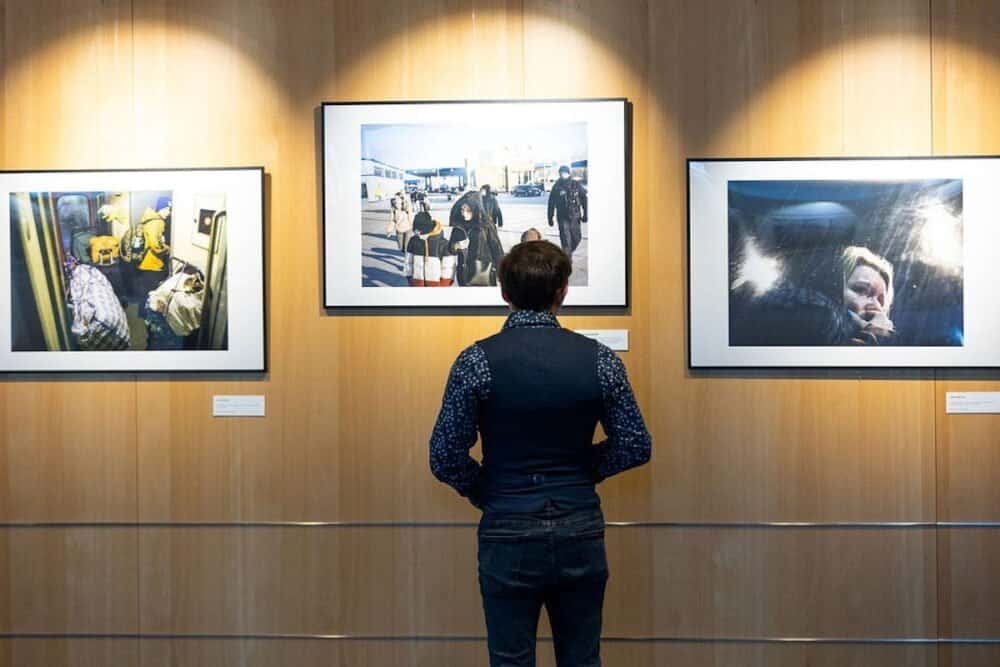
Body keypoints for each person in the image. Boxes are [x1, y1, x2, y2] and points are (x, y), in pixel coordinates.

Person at [429, 240, 652, 667]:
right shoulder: (602, 360)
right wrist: (583, 469)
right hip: (579, 524)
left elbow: (444, 455)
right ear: (562, 292)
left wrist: (487, 490)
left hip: (508, 524)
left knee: (511, 660)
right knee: (582, 659)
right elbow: (635, 445)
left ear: (504, 293)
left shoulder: (475, 361)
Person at [730, 244, 895, 346]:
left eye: (882, 300)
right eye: (860, 290)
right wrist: (850, 325)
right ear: (833, 287)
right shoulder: (818, 314)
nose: (875, 305)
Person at [449, 192, 505, 286]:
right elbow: (450, 249)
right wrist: (455, 246)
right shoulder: (457, 228)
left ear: (475, 210)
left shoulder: (485, 226)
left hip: (483, 270)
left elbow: (496, 248)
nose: (464, 213)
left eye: (467, 210)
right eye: (462, 210)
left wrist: (502, 272)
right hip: (463, 272)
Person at [405, 212, 458, 286]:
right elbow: (408, 261)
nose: (417, 235)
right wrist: (409, 277)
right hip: (417, 283)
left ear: (426, 229)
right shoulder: (413, 241)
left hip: (436, 285)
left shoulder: (443, 244)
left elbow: (448, 267)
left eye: (419, 232)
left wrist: (444, 284)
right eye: (416, 232)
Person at [547, 165, 588, 256]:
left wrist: (586, 214)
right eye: (561, 173)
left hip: (575, 216)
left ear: (568, 173)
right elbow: (551, 203)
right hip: (562, 217)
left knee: (577, 238)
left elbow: (584, 199)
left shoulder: (576, 184)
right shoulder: (556, 187)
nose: (563, 174)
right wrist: (550, 217)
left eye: (564, 172)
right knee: (566, 240)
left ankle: (567, 253)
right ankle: (567, 259)